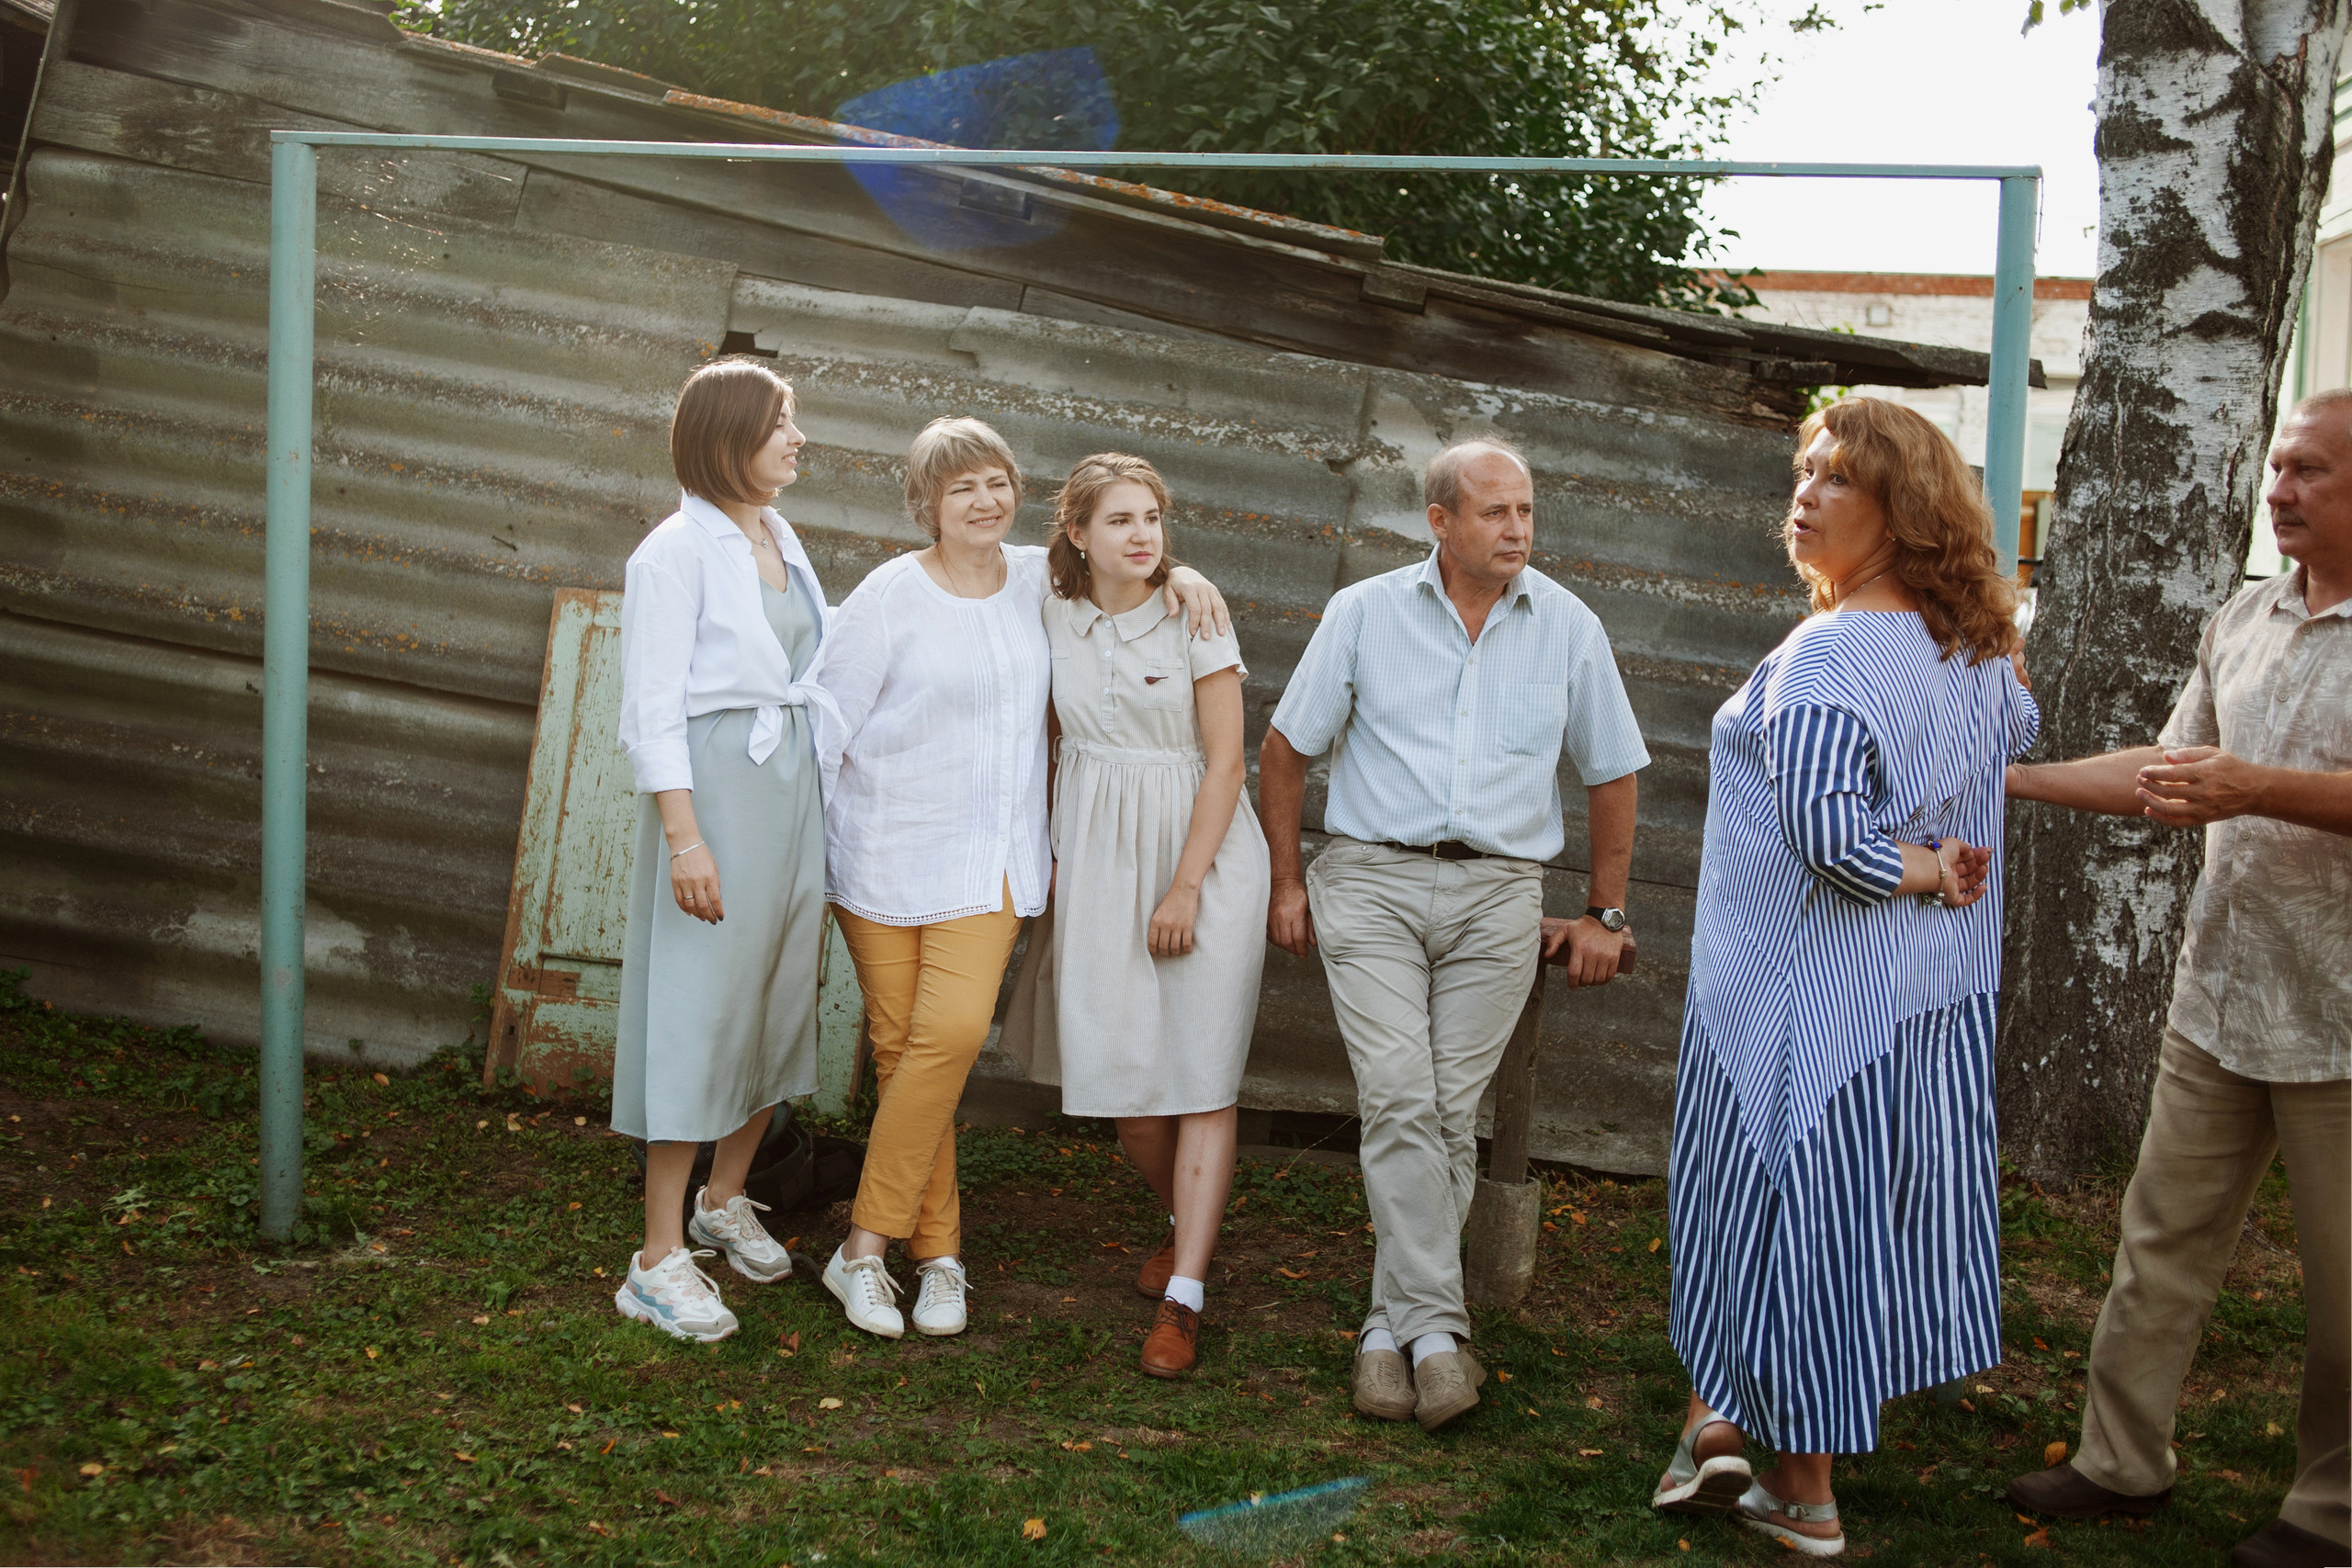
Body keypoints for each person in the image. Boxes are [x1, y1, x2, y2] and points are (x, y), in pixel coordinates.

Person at [1649, 397, 2031, 1559]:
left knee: (1768, 1218)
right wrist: (1941, 858)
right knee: (1836, 1227)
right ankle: (1718, 1426)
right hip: (1908, 1003)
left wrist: (1917, 863)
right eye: (1803, 473)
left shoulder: (1830, 652)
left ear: (1903, 512)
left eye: (1837, 481)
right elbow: (2000, 753)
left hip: (1790, 1002)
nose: (1804, 496)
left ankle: (1799, 1490)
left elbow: (1837, 842)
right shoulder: (1969, 650)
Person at [2002, 390, 2352, 1568]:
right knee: (2158, 1244)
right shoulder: (2244, 616)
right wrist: (2010, 781)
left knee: (2346, 1299)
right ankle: (2120, 1461)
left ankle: (2329, 1512)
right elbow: (2171, 769)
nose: (2278, 488)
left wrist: (2257, 788)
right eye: (2277, 466)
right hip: (2218, 991)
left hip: (2342, 1018)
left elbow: (2233, 781)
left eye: (2306, 470)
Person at [1259, 437, 1649, 1433]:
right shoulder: (1363, 614)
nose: (1517, 529)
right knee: (1398, 1096)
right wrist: (1287, 881)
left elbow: (1612, 772)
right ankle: (1439, 1332)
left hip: (1499, 897)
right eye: (1494, 513)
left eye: (1524, 511)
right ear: (1440, 522)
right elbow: (1284, 749)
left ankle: (1390, 1332)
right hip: (1371, 882)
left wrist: (1605, 910)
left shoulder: (1568, 626)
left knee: (1443, 1112)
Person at [813, 418, 1230, 1342]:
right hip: (882, 848)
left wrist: (1183, 574)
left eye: (997, 482)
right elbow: (827, 724)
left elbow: (1130, 570)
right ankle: (942, 1259)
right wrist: (803, 849)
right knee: (903, 1057)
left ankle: (862, 1247)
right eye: (961, 488)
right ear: (926, 502)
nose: (984, 501)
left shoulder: (1039, 587)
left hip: (991, 859)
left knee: (950, 1037)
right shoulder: (887, 594)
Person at [1001, 454, 1272, 1379]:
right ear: (1075, 533)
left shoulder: (1195, 609)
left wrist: (1188, 885)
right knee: (1122, 1081)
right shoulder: (1046, 610)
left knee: (1199, 1074)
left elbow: (1229, 762)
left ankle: (1184, 1293)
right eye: (1119, 520)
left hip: (1201, 852)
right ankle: (1183, 1217)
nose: (1143, 535)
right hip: (1098, 856)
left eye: (1153, 517)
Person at [610, 359, 840, 1342]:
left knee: (776, 998)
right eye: (781, 423)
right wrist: (684, 840)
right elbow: (650, 711)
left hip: (790, 786)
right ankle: (658, 1254)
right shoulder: (672, 552)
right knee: (700, 1009)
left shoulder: (780, 538)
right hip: (714, 788)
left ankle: (724, 1197)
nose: (797, 439)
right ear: (728, 435)